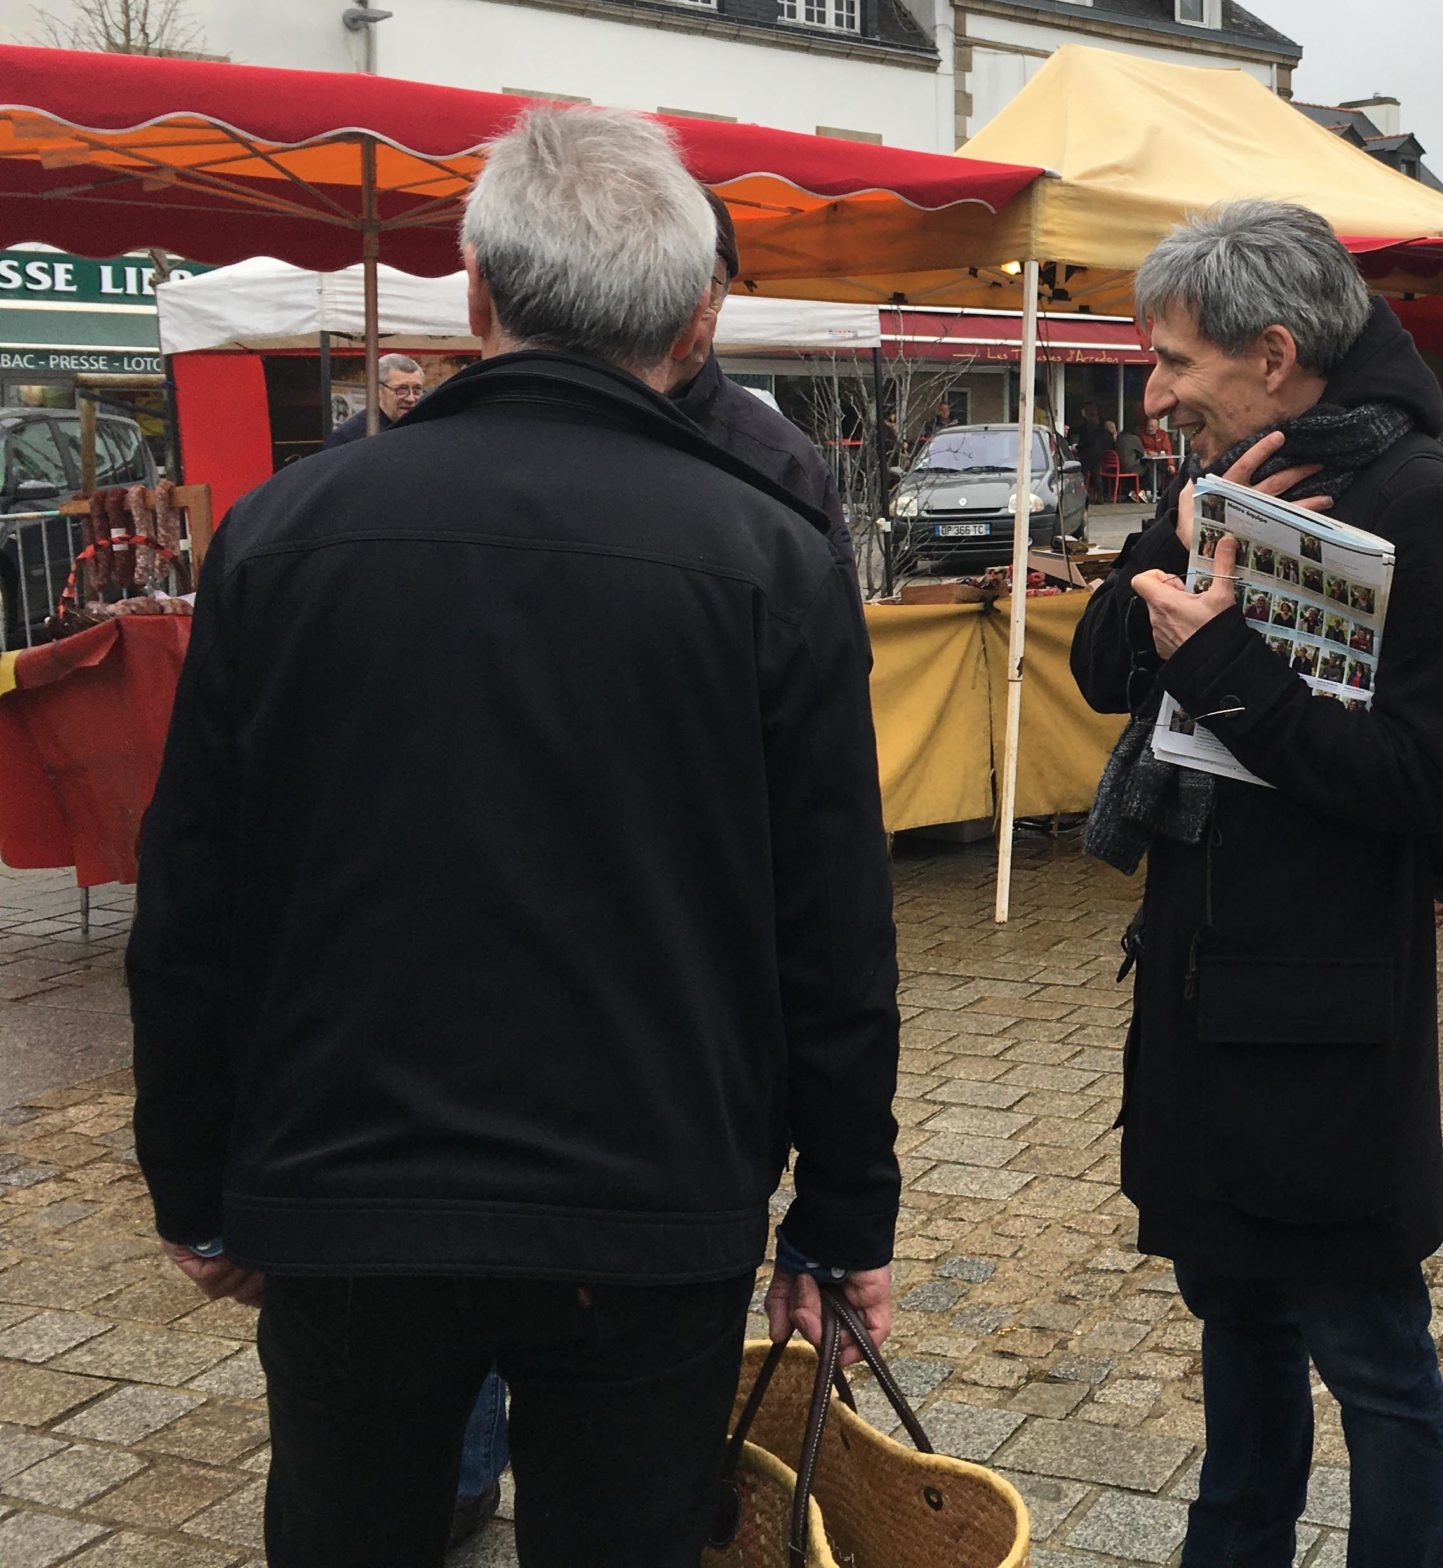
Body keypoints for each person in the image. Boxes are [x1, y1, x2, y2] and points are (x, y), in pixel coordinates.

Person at [127, 106, 902, 1568]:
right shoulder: (769, 561)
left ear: (475, 295)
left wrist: (195, 1172)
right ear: (691, 320)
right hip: (652, 1203)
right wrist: (845, 1211)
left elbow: (196, 897)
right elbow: (835, 930)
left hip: (349, 1192)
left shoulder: (284, 537)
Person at [1069, 199, 1443, 1568]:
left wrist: (1221, 666)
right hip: (1203, 992)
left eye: (1175, 361)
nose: (1157, 391)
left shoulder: (1419, 499)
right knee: (1237, 1339)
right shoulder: (1227, 476)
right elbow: (1098, 668)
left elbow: (1421, 782)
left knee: (1371, 1360)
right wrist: (1182, 537)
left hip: (1328, 1016)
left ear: (1271, 352)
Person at [669, 189, 853, 556]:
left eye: (706, 287)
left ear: (722, 297)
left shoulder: (783, 460)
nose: (687, 310)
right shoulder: (550, 425)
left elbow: (831, 605)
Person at [322, 352, 427, 447]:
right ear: (377, 390)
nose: (411, 398)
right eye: (401, 390)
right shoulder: (349, 437)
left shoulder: (424, 429)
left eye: (417, 390)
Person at [1072, 399, 1114, 480]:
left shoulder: (1087, 425)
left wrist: (1077, 447)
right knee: (1096, 475)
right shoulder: (1097, 425)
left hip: (1087, 454)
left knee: (1084, 474)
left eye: (1083, 410)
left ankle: (1084, 490)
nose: (1081, 412)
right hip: (1096, 453)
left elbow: (1086, 440)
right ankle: (1099, 492)